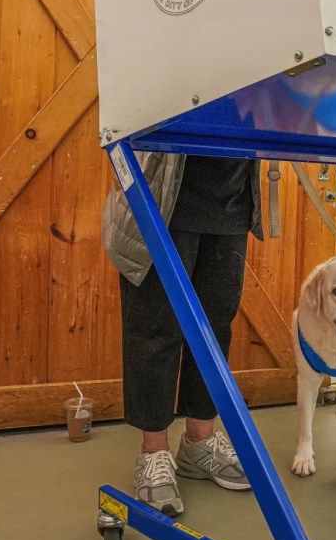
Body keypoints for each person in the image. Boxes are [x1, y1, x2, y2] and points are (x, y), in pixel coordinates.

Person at [102, 153, 262, 516]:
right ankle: (153, 452)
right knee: (155, 326)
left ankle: (198, 443)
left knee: (215, 327)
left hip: (232, 202)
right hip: (162, 199)